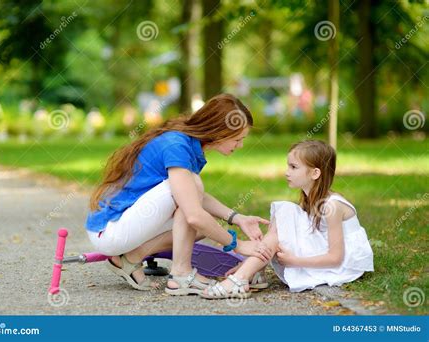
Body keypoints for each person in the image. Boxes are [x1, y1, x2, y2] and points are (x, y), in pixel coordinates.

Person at [85, 94, 273, 294]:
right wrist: (237, 245)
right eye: (238, 139)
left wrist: (237, 218)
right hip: (110, 230)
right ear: (219, 132)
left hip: (122, 225)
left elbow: (191, 197)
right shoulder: (178, 146)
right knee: (195, 203)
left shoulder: (186, 141)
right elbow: (191, 210)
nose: (240, 145)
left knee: (205, 224)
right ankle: (181, 274)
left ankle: (130, 258)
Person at [201, 140, 374, 299]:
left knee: (284, 216)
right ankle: (249, 272)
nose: (286, 172)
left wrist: (295, 262)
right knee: (284, 213)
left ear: (315, 173)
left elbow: (336, 257)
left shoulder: (332, 207)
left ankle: (241, 278)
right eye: (288, 166)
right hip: (322, 247)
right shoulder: (311, 199)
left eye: (293, 167)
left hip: (343, 264)